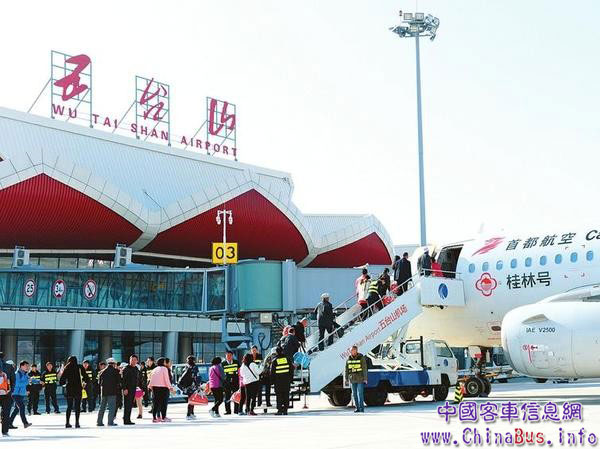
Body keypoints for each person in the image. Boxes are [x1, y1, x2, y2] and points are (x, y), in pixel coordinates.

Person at [59, 355, 89, 428]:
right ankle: (77, 423)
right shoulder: (80, 367)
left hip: (69, 389)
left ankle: (67, 422)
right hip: (78, 389)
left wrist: (65, 384)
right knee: (77, 406)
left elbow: (61, 381)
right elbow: (86, 378)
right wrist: (84, 383)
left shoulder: (67, 368)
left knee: (69, 406)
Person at [148, 357, 173, 423]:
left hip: (155, 387)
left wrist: (150, 386)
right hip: (163, 388)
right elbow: (166, 379)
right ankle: (163, 417)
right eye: (164, 361)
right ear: (163, 362)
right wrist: (170, 387)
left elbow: (151, 378)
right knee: (163, 403)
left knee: (155, 403)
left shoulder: (154, 369)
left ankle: (154, 418)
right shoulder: (164, 369)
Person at [97, 358, 120, 427]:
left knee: (102, 407)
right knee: (112, 407)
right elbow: (119, 381)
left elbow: (99, 382)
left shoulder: (102, 371)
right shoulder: (116, 371)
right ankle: (110, 422)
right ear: (114, 364)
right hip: (112, 391)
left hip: (104, 392)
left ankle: (99, 422)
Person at [270, 346, 292, 415]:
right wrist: (290, 379)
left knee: (279, 396)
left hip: (278, 382)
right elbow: (291, 370)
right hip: (286, 381)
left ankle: (279, 410)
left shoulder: (275, 361)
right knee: (286, 395)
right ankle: (285, 410)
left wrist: (272, 382)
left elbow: (272, 373)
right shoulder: (287, 359)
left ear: (276, 352)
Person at [9, 360, 32, 429]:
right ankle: (25, 423)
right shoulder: (17, 374)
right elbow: (17, 384)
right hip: (15, 394)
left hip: (21, 394)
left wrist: (39, 381)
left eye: (28, 366)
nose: (27, 367)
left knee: (16, 409)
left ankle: (9, 423)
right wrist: (28, 381)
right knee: (22, 407)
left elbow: (30, 379)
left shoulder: (25, 374)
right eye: (26, 366)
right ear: (21, 366)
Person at [345, 345, 368, 413]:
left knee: (360, 394)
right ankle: (357, 408)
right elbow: (346, 369)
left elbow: (364, 368)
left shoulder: (361, 357)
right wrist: (346, 378)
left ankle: (361, 408)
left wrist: (365, 378)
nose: (351, 351)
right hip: (352, 379)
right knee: (354, 394)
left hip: (360, 378)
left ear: (356, 350)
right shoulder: (348, 358)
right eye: (350, 350)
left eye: (352, 350)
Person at [179, 355, 201, 420]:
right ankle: (189, 414)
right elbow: (197, 376)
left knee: (190, 399)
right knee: (192, 400)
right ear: (194, 360)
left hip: (187, 386)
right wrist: (198, 385)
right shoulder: (195, 367)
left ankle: (191, 413)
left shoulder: (186, 367)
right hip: (192, 386)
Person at [121, 355, 140, 425]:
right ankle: (126, 420)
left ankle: (127, 418)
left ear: (137, 361)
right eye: (132, 360)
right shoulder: (126, 369)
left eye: (135, 360)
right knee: (127, 404)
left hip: (133, 389)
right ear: (129, 360)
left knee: (130, 404)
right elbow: (123, 380)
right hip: (127, 389)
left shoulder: (136, 369)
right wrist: (124, 388)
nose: (133, 361)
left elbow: (138, 379)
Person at [221, 351, 240, 415]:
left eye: (230, 355)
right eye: (227, 355)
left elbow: (239, 371)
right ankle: (228, 411)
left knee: (236, 396)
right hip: (227, 383)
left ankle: (236, 410)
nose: (228, 356)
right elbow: (221, 374)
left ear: (232, 356)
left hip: (235, 382)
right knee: (227, 397)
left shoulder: (236, 362)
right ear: (225, 356)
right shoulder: (223, 364)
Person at [0, 365, 11, 436]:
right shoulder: (5, 374)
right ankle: (5, 431)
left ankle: (5, 431)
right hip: (5, 394)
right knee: (6, 414)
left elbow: (8, 384)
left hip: (5, 395)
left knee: (6, 414)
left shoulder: (5, 375)